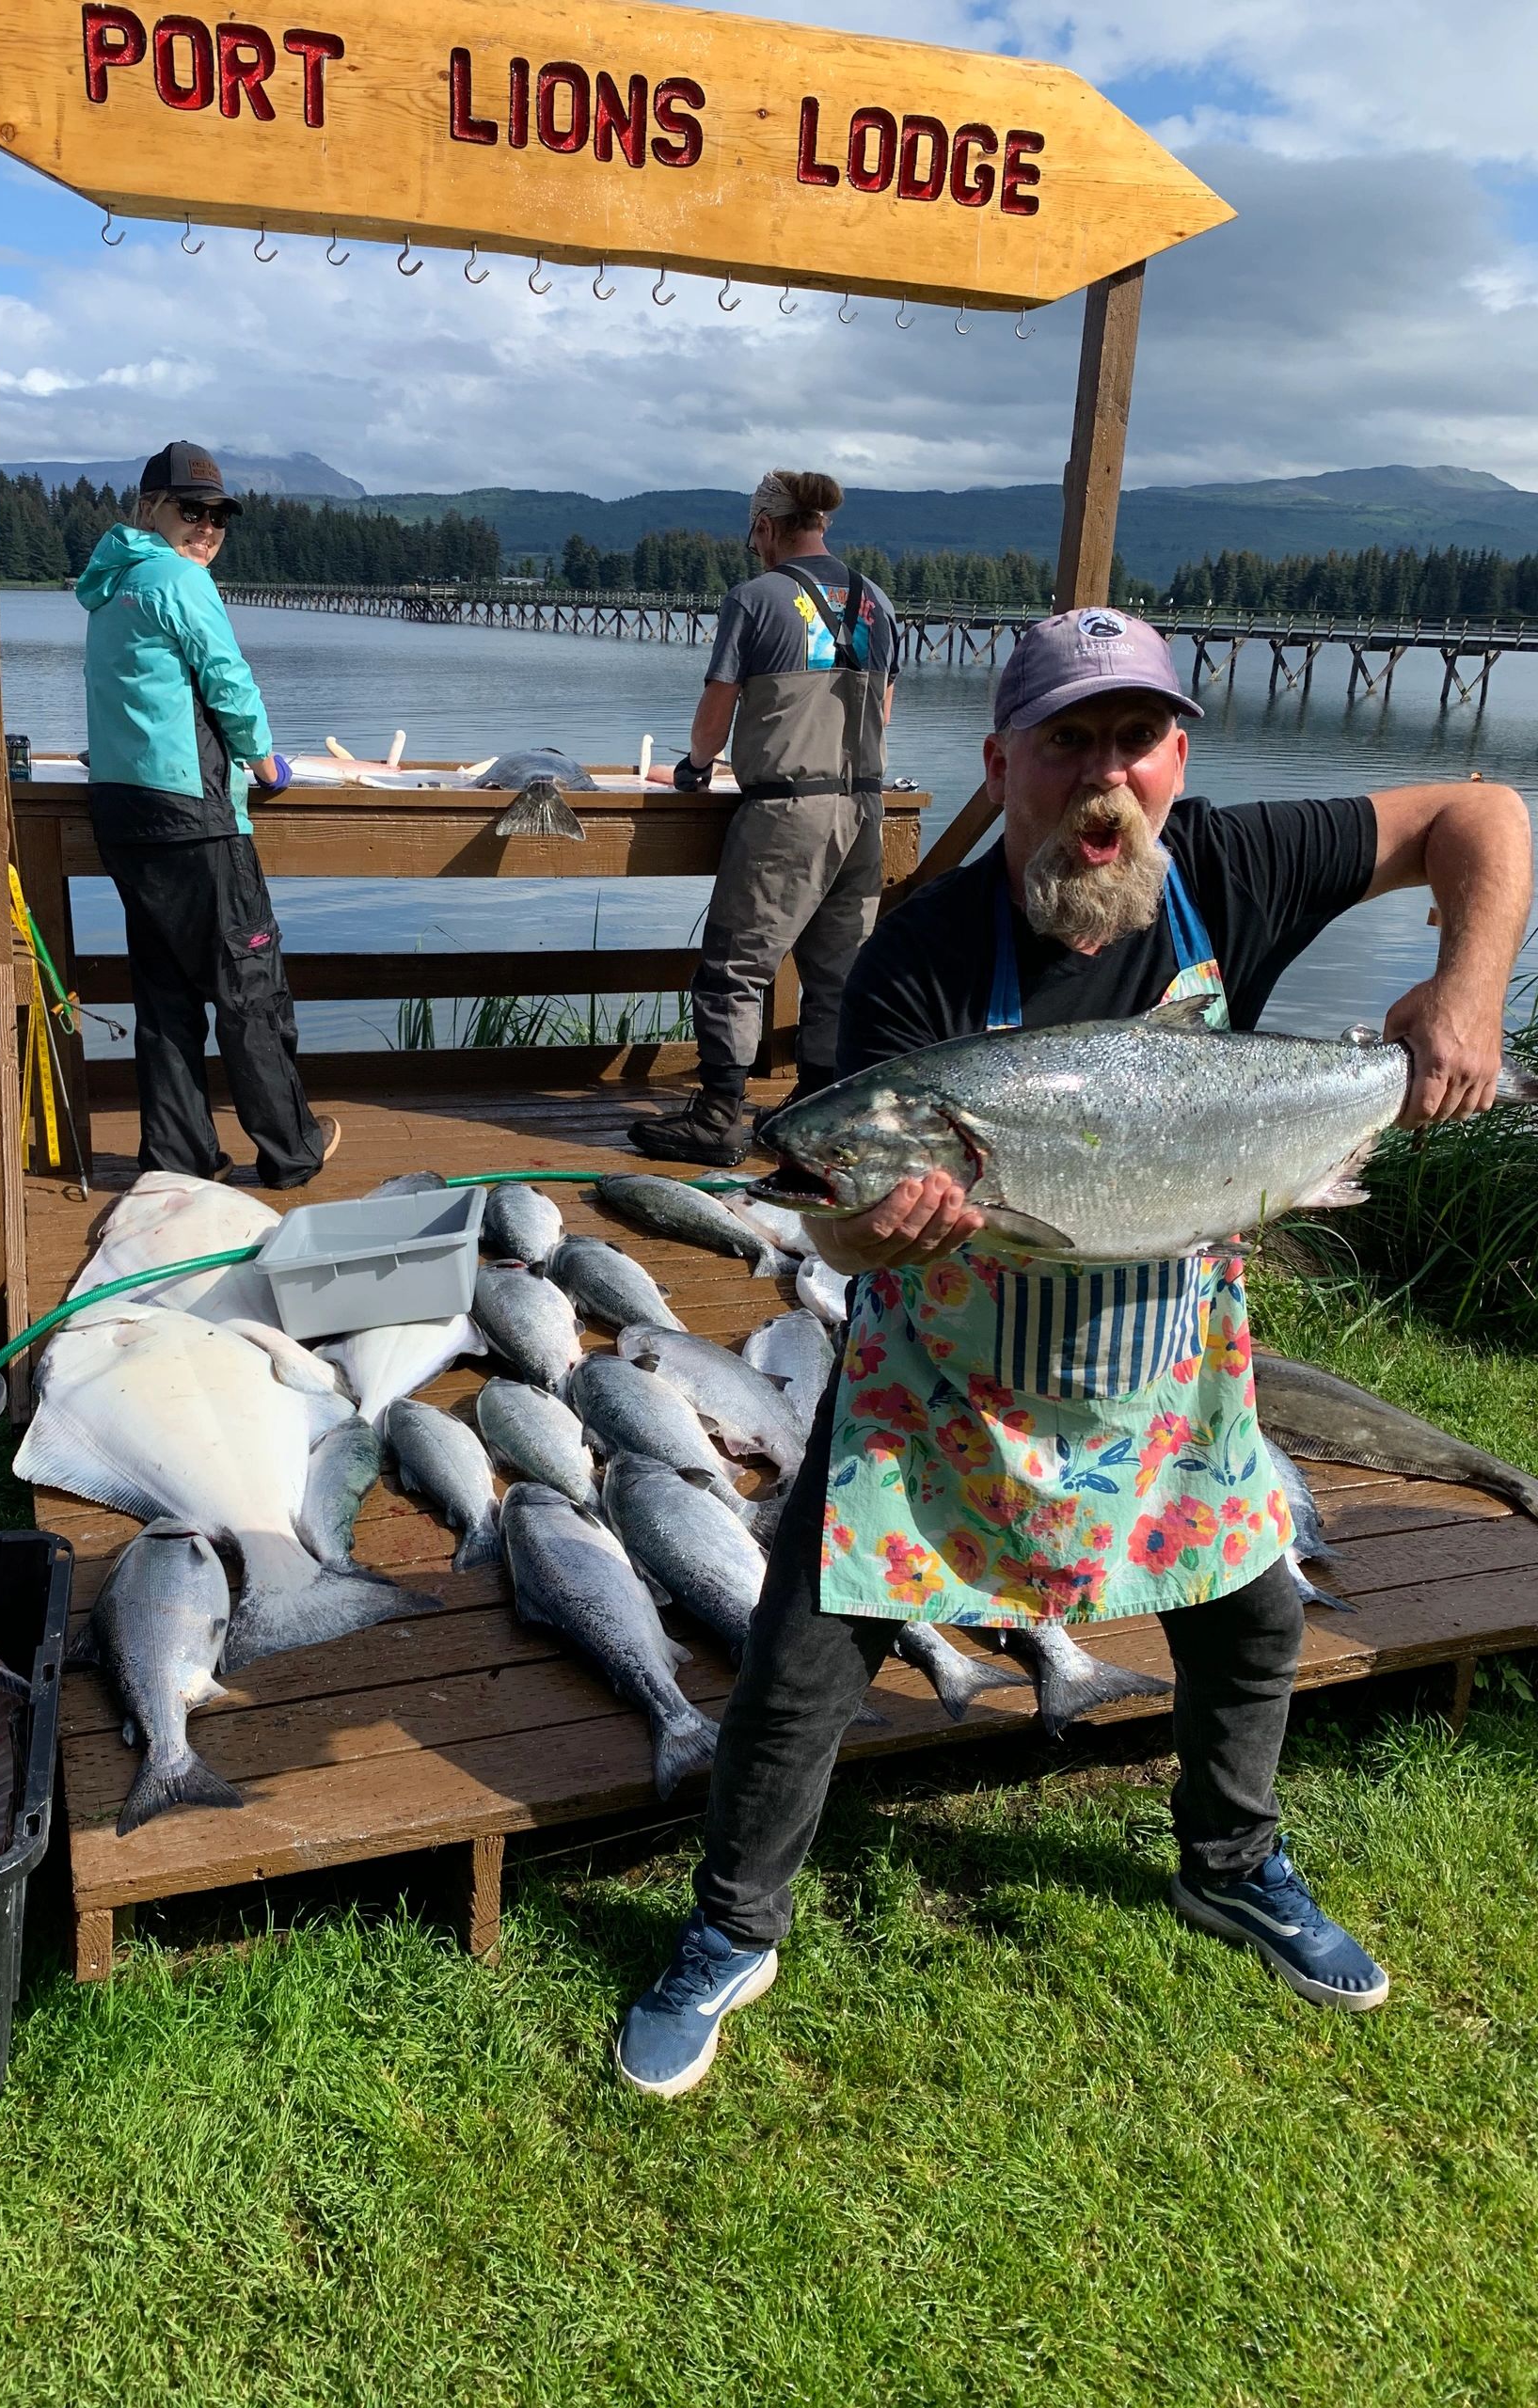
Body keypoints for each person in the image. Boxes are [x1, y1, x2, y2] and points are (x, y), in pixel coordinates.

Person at [615, 604, 1533, 2098]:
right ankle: (731, 1928)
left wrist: (1468, 989)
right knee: (804, 1654)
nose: (1103, 780)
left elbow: (1481, 811)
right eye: (1067, 745)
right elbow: (829, 1220)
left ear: (1177, 757)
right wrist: (869, 1234)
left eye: (1133, 742)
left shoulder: (1232, 866)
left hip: (1171, 1372)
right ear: (1004, 761)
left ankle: (1228, 1863)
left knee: (1250, 1620)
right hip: (943, 1392)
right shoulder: (915, 953)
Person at [77, 441, 335, 1188]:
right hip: (196, 816)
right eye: (192, 510)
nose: (208, 528)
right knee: (249, 985)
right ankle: (291, 1151)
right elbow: (227, 678)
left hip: (126, 814)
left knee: (164, 995)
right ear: (150, 507)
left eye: (219, 515)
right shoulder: (178, 579)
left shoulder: (113, 587)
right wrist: (264, 759)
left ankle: (181, 1158)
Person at [627, 469, 900, 1167]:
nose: (753, 544)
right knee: (836, 972)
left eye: (754, 530)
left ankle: (719, 1116)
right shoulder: (878, 603)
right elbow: (884, 712)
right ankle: (817, 1115)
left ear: (767, 527)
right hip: (865, 807)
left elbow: (717, 710)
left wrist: (695, 766)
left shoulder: (754, 599)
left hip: (785, 810)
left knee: (734, 969)